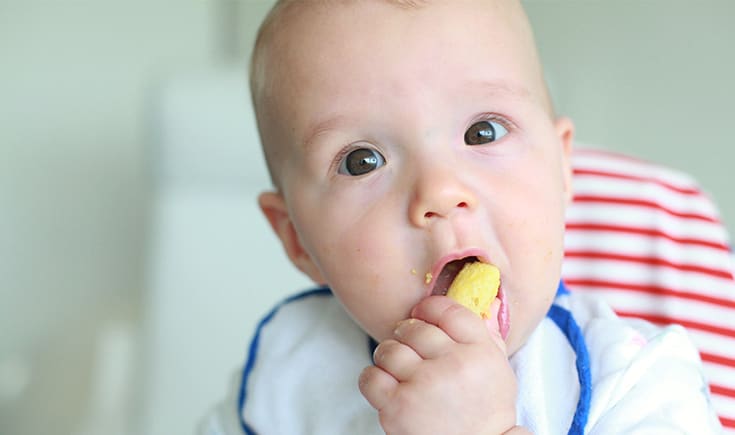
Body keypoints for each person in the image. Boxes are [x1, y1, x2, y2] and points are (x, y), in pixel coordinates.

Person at [201, 0, 722, 433]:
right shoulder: (288, 367)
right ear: (296, 241)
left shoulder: (636, 383)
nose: (441, 192)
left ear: (563, 169)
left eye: (483, 132)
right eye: (362, 161)